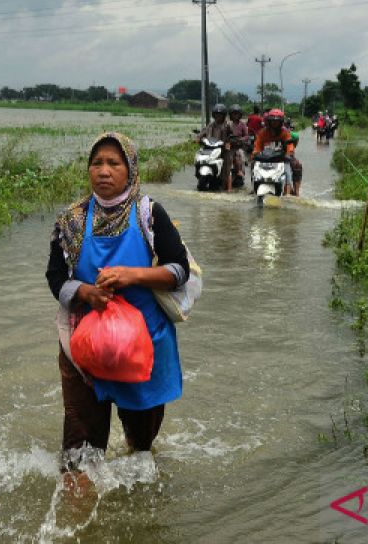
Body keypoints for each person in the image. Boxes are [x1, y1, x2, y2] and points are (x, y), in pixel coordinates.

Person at [46, 132, 191, 469]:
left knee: (140, 449)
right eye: (96, 163)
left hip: (143, 347)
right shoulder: (71, 220)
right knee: (79, 454)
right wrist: (84, 293)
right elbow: (56, 277)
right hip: (84, 345)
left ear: (131, 170)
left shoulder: (149, 214)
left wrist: (133, 275)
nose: (104, 171)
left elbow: (179, 270)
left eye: (114, 163)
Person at [252, 108, 296, 192]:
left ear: (281, 122)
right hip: (265, 159)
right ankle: (253, 186)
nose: (274, 123)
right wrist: (255, 153)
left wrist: (289, 153)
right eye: (272, 121)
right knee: (253, 165)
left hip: (281, 159)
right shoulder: (262, 133)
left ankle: (289, 192)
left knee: (293, 167)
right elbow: (257, 145)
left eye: (277, 121)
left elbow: (290, 145)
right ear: (269, 121)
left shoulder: (285, 133)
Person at [198, 103, 234, 190]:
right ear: (213, 115)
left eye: (220, 115)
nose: (218, 116)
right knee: (201, 159)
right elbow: (202, 133)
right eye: (216, 114)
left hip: (223, 150)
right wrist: (198, 138)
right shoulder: (210, 125)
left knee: (227, 168)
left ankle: (229, 189)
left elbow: (232, 136)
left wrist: (229, 143)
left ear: (224, 116)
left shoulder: (227, 125)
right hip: (210, 149)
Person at [226, 105, 250, 187]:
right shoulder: (228, 124)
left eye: (237, 114)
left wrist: (241, 139)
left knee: (239, 153)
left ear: (240, 115)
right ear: (230, 115)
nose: (235, 116)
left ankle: (240, 171)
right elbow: (224, 134)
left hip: (239, 146)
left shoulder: (242, 125)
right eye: (233, 114)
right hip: (229, 146)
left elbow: (247, 136)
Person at [288, 131, 304, 196]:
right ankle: (296, 192)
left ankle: (295, 191)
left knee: (297, 166)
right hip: (284, 159)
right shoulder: (291, 144)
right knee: (298, 166)